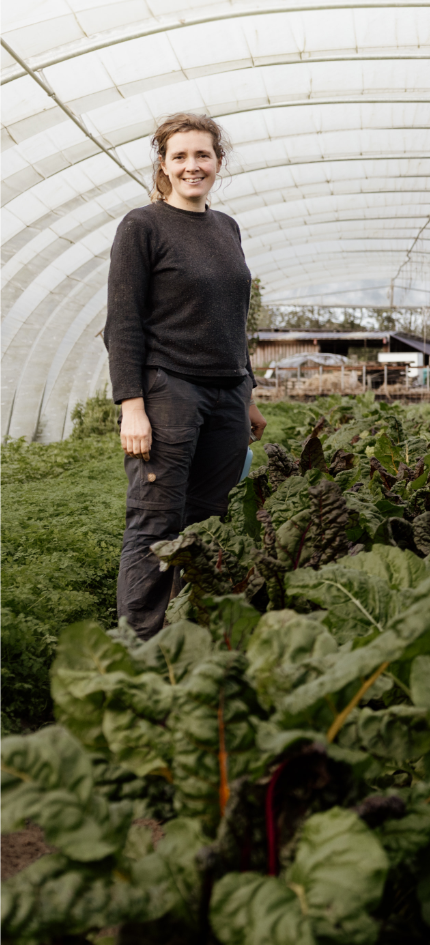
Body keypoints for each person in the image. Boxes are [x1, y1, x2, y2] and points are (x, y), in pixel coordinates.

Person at [105, 112, 268, 638]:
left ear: (219, 162)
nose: (192, 166)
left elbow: (231, 318)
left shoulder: (226, 227)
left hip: (227, 393)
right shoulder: (143, 226)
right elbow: (123, 322)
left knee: (206, 521)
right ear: (164, 164)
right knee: (156, 522)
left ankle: (186, 635)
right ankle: (141, 652)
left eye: (202, 155)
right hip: (168, 389)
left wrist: (248, 394)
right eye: (180, 156)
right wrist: (132, 406)